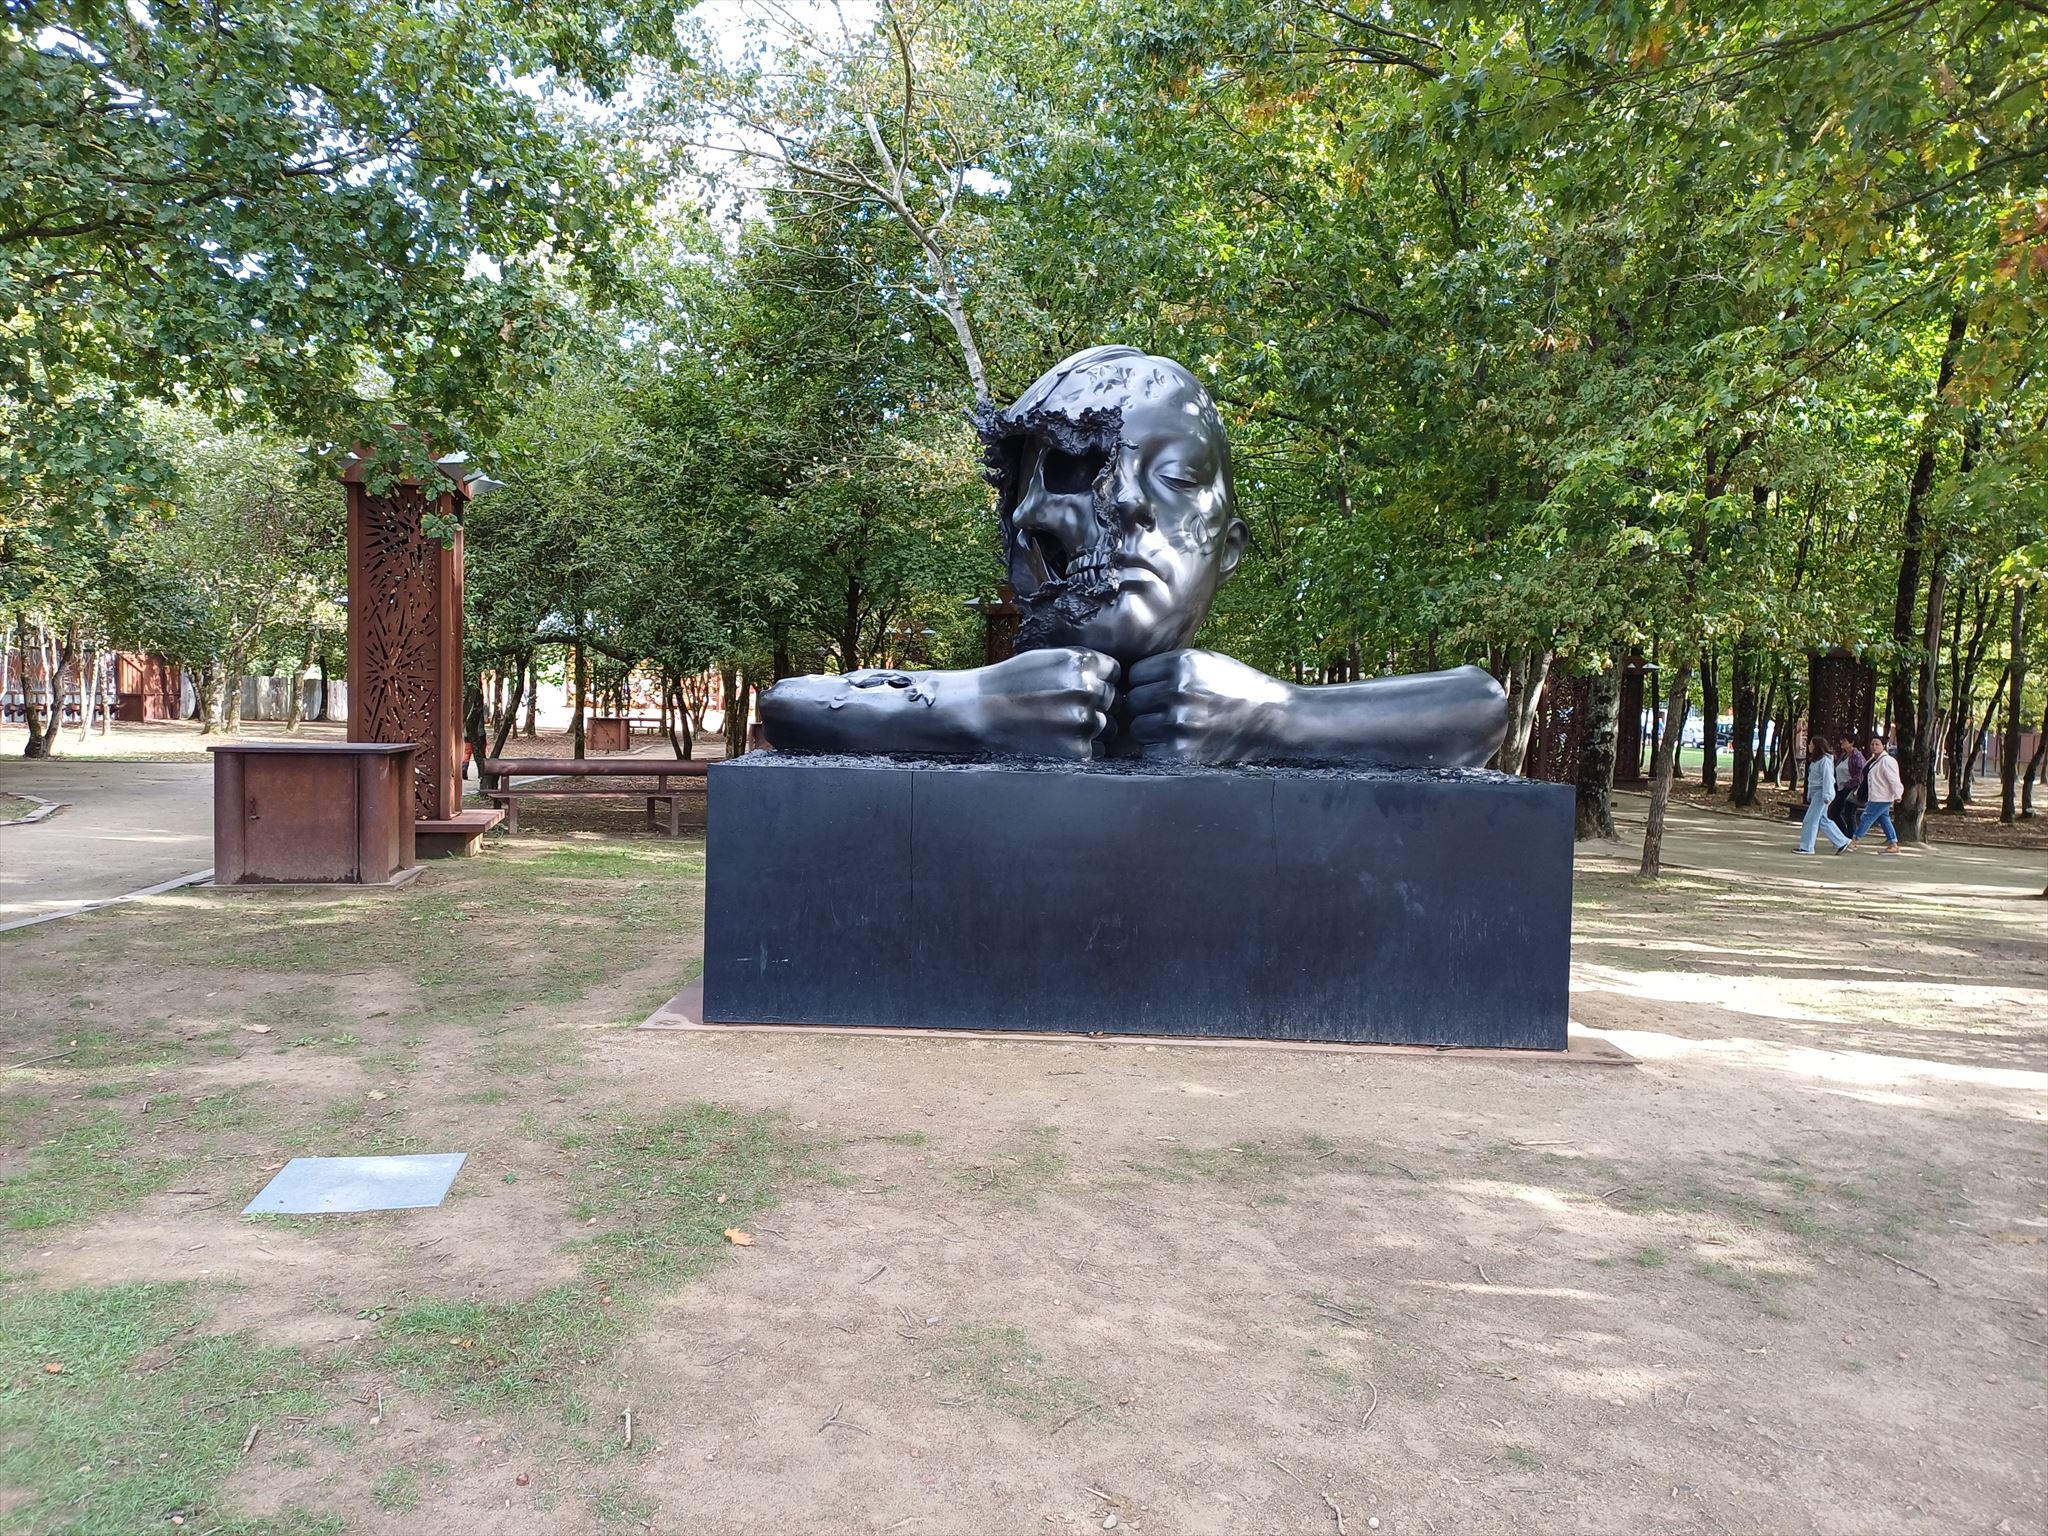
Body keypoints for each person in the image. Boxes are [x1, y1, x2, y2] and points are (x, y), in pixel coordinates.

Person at [759, 346, 1508, 766]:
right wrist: (978, 707)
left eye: (1176, 478)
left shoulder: (1242, 705)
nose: (1131, 505)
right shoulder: (1001, 692)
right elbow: (791, 707)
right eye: (1084, 472)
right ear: (1020, 525)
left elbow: (1477, 708)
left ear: (1230, 547)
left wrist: (1278, 719)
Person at [1798, 731, 1852, 854]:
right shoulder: (1817, 760)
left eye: (1811, 744)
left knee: (1810, 819)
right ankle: (1842, 841)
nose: (1809, 746)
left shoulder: (1825, 761)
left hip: (1822, 793)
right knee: (1822, 820)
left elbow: (1828, 778)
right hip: (1817, 793)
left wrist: (1827, 795)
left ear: (1817, 746)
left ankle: (1807, 847)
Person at [1849, 732, 1904, 852]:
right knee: (1884, 818)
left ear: (1883, 746)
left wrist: (1897, 794)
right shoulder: (1874, 760)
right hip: (1876, 795)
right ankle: (1893, 843)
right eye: (1872, 744)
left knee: (1867, 817)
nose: (1874, 746)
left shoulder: (1887, 761)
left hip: (1882, 796)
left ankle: (1854, 841)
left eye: (1877, 744)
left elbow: (1893, 779)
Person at [1828, 733, 1865, 838]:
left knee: (1849, 814)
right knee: (1834, 812)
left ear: (1852, 742)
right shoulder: (1843, 756)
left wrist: (1849, 784)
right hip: (1840, 788)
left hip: (1851, 789)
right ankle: (1843, 835)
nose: (1842, 743)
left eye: (1844, 741)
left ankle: (1851, 837)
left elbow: (1860, 774)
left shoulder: (1857, 756)